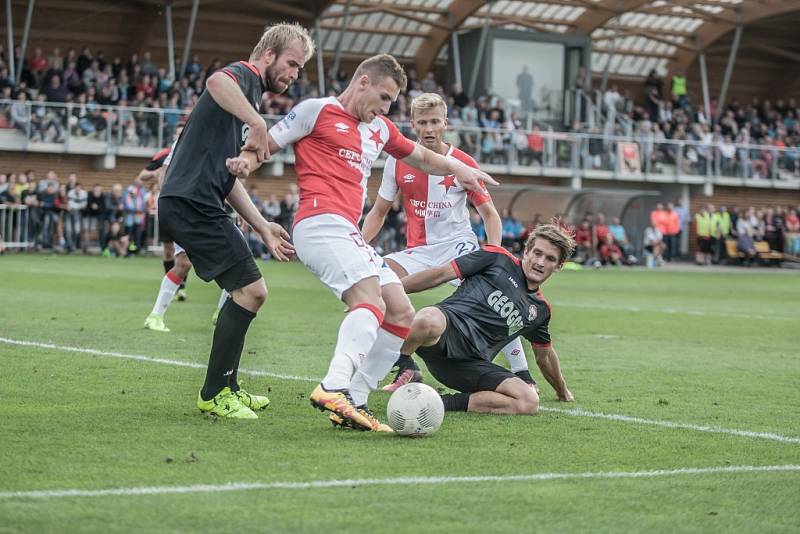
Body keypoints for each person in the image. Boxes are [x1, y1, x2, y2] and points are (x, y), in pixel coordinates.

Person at [233, 54, 497, 431]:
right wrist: (245, 162)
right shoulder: (316, 110)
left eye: (392, 101)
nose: (387, 107)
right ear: (363, 83)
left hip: (348, 232)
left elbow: (423, 157)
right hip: (320, 223)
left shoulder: (382, 129)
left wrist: (462, 169)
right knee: (368, 299)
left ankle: (355, 399)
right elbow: (265, 144)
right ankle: (334, 385)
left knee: (401, 313)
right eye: (385, 97)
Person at [157, 22, 315, 419]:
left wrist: (262, 224)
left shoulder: (246, 100)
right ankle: (214, 393)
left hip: (197, 199)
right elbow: (215, 81)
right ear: (268, 55)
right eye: (292, 64)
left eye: (299, 69)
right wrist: (258, 124)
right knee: (252, 291)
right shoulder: (242, 78)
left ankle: (228, 386)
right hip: (191, 201)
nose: (295, 75)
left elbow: (227, 181)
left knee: (247, 290)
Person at [361, 92, 530, 393]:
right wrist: (357, 245)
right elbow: (379, 211)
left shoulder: (462, 163)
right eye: (422, 122)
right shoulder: (397, 162)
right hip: (419, 250)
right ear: (412, 124)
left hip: (458, 244)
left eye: (435, 122)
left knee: (496, 293)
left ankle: (522, 373)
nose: (428, 129)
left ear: (445, 123)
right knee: (375, 282)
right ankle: (405, 367)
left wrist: (494, 255)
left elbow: (489, 214)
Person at [398, 224, 575, 414]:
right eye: (537, 253)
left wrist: (562, 390)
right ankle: (402, 362)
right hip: (443, 334)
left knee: (529, 401)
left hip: (470, 366)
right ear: (527, 251)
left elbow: (545, 357)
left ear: (558, 266)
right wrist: (390, 290)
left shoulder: (540, 310)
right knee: (427, 319)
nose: (540, 262)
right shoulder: (498, 258)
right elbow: (441, 274)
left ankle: (438, 403)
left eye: (550, 259)